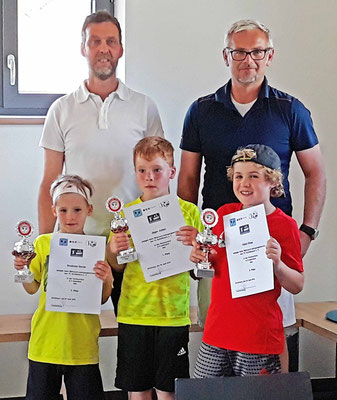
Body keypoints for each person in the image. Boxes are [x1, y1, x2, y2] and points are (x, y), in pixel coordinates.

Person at [177, 18, 326, 370]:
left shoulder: (291, 110)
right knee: (218, 333)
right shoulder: (201, 110)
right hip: (217, 245)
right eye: (239, 52)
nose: (248, 60)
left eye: (257, 51)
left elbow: (315, 172)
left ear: (269, 55)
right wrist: (192, 241)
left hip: (269, 244)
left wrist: (306, 231)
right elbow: (187, 179)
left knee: (274, 333)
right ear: (226, 55)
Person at [38, 11, 164, 313]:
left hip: (133, 243)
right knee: (75, 338)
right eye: (95, 42)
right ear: (83, 48)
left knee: (134, 338)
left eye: (110, 41)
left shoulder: (144, 106)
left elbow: (158, 181)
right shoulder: (61, 109)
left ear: (121, 48)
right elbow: (49, 183)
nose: (103, 49)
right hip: (79, 241)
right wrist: (44, 247)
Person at [190, 144, 304, 378]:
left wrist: (278, 265)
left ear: (272, 181)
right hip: (217, 332)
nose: (244, 183)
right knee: (204, 394)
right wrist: (199, 257)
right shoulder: (223, 215)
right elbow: (209, 263)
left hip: (258, 338)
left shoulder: (285, 225)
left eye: (254, 176)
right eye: (238, 176)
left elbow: (297, 284)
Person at [106, 137, 203, 400]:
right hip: (134, 314)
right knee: (137, 390)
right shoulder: (124, 215)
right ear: (135, 173)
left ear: (172, 172)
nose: (149, 177)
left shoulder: (190, 213)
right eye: (142, 170)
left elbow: (202, 263)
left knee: (168, 391)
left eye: (157, 170)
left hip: (172, 315)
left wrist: (197, 247)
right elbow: (116, 266)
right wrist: (114, 249)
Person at [13, 174, 113, 400]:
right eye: (63, 210)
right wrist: (24, 270)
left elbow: (102, 299)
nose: (70, 217)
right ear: (54, 211)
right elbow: (32, 288)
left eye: (77, 210)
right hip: (45, 344)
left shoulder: (96, 248)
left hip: (82, 346)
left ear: (89, 210)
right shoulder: (42, 243)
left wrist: (107, 279)